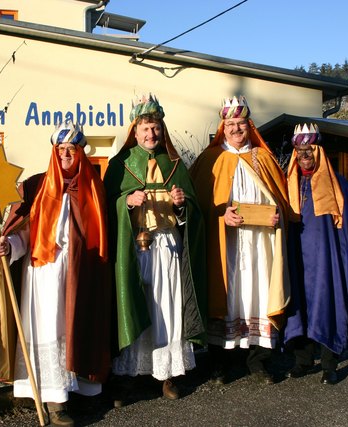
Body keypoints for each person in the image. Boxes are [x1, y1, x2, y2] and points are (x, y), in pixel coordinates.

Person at [0, 120, 111, 426]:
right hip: (43, 275)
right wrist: (8, 244)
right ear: (54, 151)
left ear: (81, 153)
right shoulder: (35, 186)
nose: (66, 154)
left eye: (72, 149)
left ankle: (79, 389)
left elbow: (101, 236)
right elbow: (23, 232)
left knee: (77, 326)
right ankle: (55, 401)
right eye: (61, 149)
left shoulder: (93, 187)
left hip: (81, 273)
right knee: (50, 330)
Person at [103, 93, 207, 403]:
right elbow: (105, 207)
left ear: (162, 130)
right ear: (134, 131)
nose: (151, 134)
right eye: (145, 128)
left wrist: (180, 205)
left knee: (167, 307)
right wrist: (126, 202)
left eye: (156, 128)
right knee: (136, 304)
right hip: (134, 248)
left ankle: (167, 374)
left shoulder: (175, 164)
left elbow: (193, 210)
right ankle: (128, 376)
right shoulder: (120, 165)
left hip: (167, 246)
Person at [190, 95, 290, 385]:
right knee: (227, 296)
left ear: (250, 125)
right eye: (230, 124)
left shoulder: (264, 158)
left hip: (261, 246)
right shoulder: (210, 160)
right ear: (223, 127)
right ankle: (220, 363)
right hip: (225, 247)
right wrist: (220, 216)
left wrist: (277, 217)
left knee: (257, 295)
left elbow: (281, 202)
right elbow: (197, 207)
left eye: (241, 123)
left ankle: (258, 362)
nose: (236, 129)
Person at [283, 123, 348, 385]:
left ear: (319, 151)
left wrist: (343, 261)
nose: (304, 155)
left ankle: (329, 364)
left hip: (326, 263)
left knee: (328, 304)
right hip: (296, 259)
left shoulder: (339, 186)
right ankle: (302, 361)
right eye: (300, 150)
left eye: (309, 150)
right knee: (298, 308)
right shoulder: (287, 185)